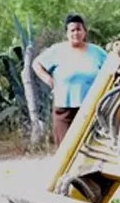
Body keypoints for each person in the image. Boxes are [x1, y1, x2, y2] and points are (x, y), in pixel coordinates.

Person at [32, 14, 108, 147]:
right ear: (67, 33)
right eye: (72, 30)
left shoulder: (97, 52)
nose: (76, 33)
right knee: (65, 148)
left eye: (79, 29)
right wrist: (49, 80)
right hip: (64, 109)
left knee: (90, 147)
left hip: (90, 108)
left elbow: (111, 68)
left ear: (84, 32)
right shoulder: (57, 50)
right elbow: (36, 64)